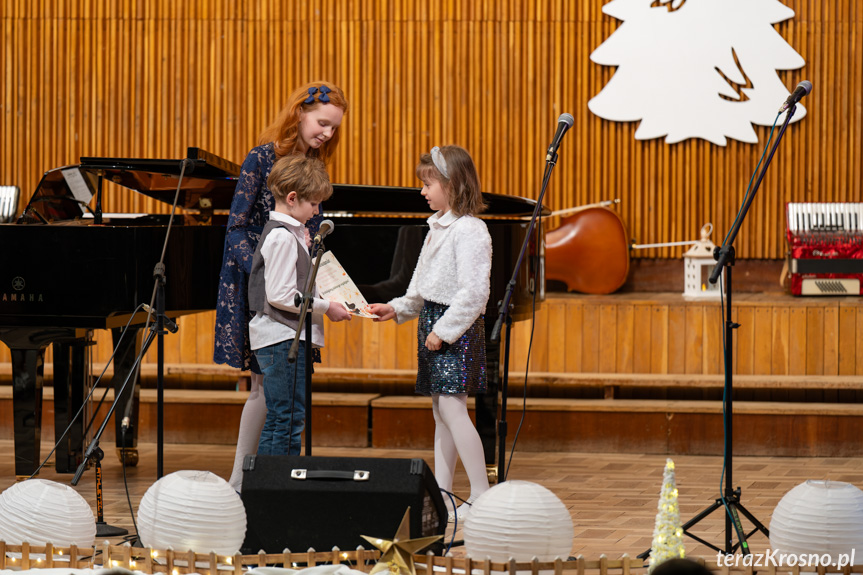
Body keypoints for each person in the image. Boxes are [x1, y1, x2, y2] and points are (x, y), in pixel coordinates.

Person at [214, 81, 348, 491]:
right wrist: (267, 266)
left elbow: (311, 237)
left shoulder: (314, 166)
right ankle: (241, 479)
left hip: (289, 277)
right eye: (322, 123)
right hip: (258, 281)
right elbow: (235, 226)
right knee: (262, 384)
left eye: (334, 129)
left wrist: (335, 290)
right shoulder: (263, 157)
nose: (327, 133)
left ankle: (250, 480)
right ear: (299, 113)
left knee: (272, 390)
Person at [368, 145, 491, 523]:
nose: (423, 191)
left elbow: (474, 293)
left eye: (429, 183)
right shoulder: (436, 227)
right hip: (433, 323)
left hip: (455, 328)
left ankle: (482, 497)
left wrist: (445, 331)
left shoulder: (470, 230)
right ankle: (443, 498)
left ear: (453, 184)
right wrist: (397, 308)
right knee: (441, 412)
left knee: (454, 409)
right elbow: (421, 288)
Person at [248, 155, 351, 455]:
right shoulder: (280, 238)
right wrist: (326, 307)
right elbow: (280, 296)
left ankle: (273, 490)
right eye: (314, 204)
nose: (316, 211)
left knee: (287, 418)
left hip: (286, 339)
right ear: (292, 198)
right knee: (286, 420)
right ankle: (275, 493)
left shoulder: (290, 235)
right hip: (281, 341)